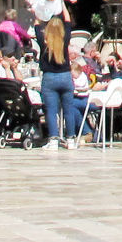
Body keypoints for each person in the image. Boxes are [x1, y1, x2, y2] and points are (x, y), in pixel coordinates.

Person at [36, 14, 83, 149]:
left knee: (51, 111)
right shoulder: (65, 40)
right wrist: (62, 4)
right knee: (68, 109)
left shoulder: (43, 43)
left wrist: (39, 9)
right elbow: (68, 21)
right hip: (65, 77)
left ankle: (53, 141)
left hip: (49, 78)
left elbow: (37, 25)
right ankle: (71, 140)